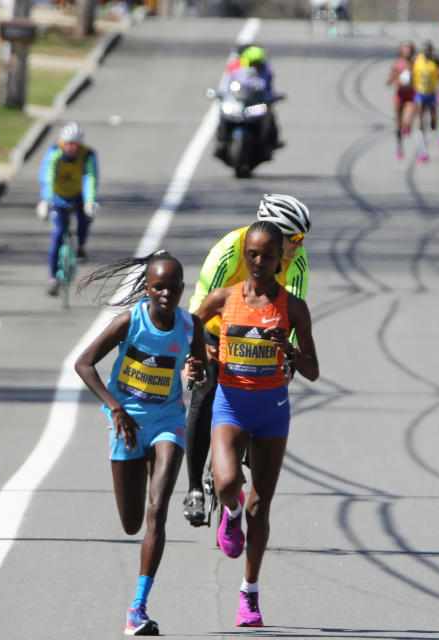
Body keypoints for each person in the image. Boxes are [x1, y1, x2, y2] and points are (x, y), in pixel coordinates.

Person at [74, 251, 208, 636]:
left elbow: (202, 378)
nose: (166, 293)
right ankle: (143, 463)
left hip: (168, 422)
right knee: (132, 522)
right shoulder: (128, 322)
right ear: (147, 288)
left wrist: (197, 373)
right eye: (158, 286)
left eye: (173, 287)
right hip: (128, 424)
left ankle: (137, 607)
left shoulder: (190, 326)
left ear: (182, 289)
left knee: (157, 509)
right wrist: (116, 408)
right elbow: (84, 364)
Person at [193, 220, 319, 628]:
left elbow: (314, 370)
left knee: (260, 507)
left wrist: (291, 352)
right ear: (244, 255)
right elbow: (189, 328)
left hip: (272, 411)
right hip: (230, 405)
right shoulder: (223, 297)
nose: (260, 261)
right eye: (253, 254)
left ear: (281, 257)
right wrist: (197, 358)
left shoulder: (292, 307)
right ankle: (228, 513)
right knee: (229, 484)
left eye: (268, 255)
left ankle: (249, 592)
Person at [182, 194, 310, 527]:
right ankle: (195, 486)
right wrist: (198, 349)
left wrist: (289, 363)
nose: (300, 245)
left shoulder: (298, 262)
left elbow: (295, 314)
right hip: (217, 330)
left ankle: (240, 462)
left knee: (269, 394)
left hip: (264, 338)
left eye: (302, 239)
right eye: (294, 239)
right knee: (204, 393)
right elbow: (201, 303)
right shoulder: (229, 249)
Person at [36, 121, 100, 296]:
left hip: (79, 197)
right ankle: (53, 279)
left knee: (84, 221)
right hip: (58, 199)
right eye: (68, 144)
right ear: (62, 143)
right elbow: (48, 175)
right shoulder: (54, 153)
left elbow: (90, 177)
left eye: (76, 145)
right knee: (58, 234)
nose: (72, 148)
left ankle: (81, 246)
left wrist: (90, 201)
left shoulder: (88, 155)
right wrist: (46, 200)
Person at [214, 45, 282, 157]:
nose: (256, 66)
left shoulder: (266, 73)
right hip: (239, 104)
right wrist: (223, 95)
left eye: (258, 63)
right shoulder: (237, 72)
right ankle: (222, 141)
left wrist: (270, 97)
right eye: (253, 63)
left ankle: (271, 142)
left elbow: (269, 89)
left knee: (269, 114)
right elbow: (227, 87)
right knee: (223, 113)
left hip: (256, 105)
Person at [411, 40, 439, 163]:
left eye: (428, 49)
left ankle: (433, 123)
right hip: (420, 93)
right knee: (421, 120)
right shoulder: (416, 60)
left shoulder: (436, 61)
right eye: (424, 49)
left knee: (434, 122)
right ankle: (423, 149)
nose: (426, 51)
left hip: (432, 93)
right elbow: (410, 72)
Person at [386, 40, 416, 160]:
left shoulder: (415, 64)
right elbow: (388, 82)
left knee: (406, 122)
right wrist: (393, 77)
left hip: (411, 95)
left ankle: (407, 125)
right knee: (398, 124)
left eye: (409, 48)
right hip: (399, 94)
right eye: (405, 48)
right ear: (401, 51)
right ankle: (399, 148)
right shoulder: (396, 64)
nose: (407, 50)